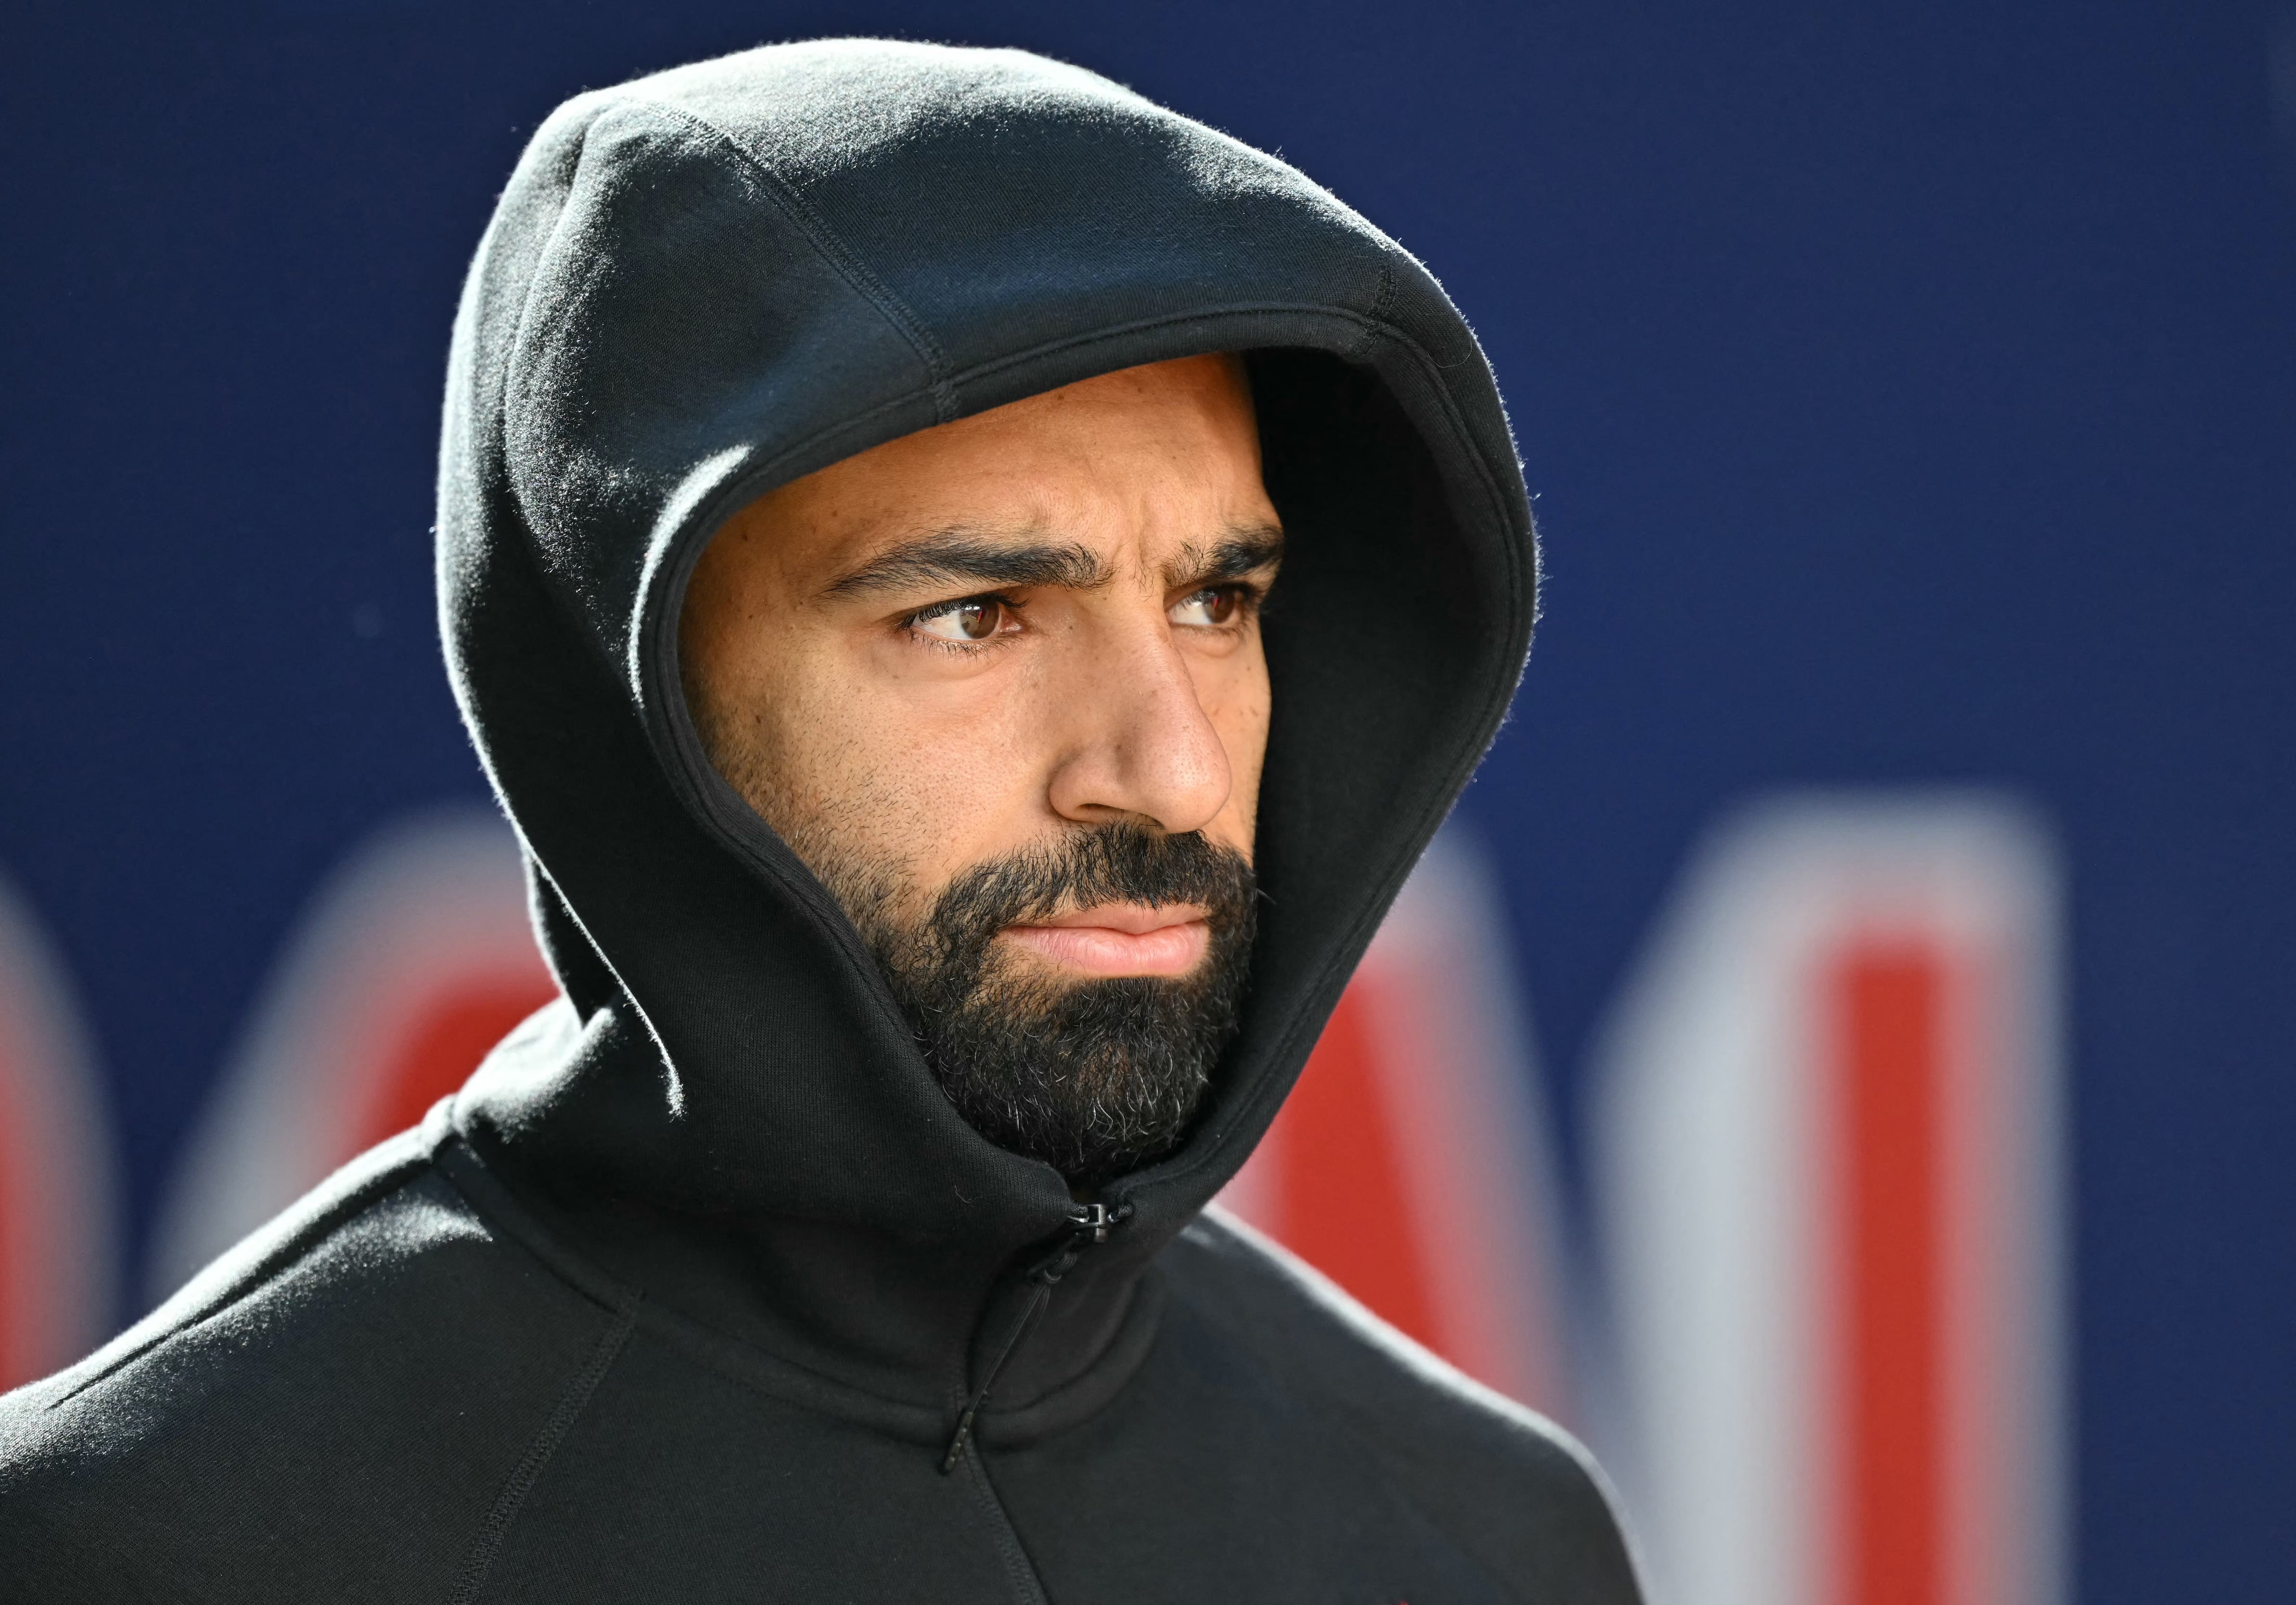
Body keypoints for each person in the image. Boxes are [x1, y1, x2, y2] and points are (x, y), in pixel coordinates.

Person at [0, 39, 1642, 1604]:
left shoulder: (1491, 1534)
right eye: (976, 614)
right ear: (635, 697)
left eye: (1218, 600)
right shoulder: (137, 1548)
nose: (1176, 773)